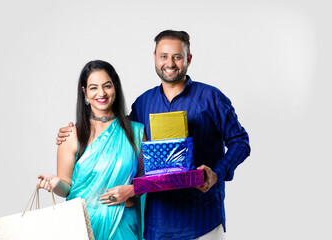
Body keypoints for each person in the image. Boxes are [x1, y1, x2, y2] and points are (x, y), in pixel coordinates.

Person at [57, 30, 250, 240]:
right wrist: (74, 132)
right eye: (164, 56)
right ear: (155, 58)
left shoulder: (210, 97)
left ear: (188, 59)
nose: (170, 63)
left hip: (201, 219)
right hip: (157, 224)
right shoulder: (143, 103)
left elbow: (240, 141)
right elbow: (116, 138)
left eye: (177, 56)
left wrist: (217, 173)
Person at [38, 60, 145, 240]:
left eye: (107, 86)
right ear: (85, 92)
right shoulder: (71, 135)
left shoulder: (136, 132)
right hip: (83, 227)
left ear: (115, 88)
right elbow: (66, 187)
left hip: (123, 226)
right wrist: (56, 183)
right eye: (93, 88)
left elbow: (151, 181)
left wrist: (132, 189)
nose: (101, 93)